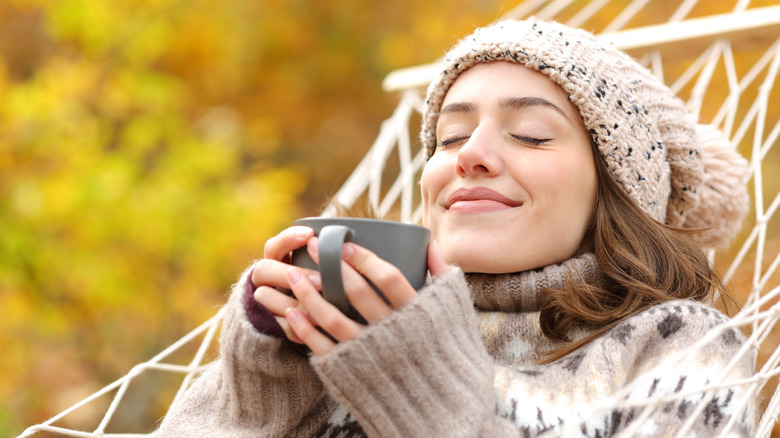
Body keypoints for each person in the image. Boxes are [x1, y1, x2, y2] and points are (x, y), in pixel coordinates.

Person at [155, 18, 755, 437]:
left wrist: (420, 387)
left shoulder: (678, 345)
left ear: (614, 192)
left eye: (531, 134)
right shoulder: (352, 326)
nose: (471, 154)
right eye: (449, 137)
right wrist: (263, 382)